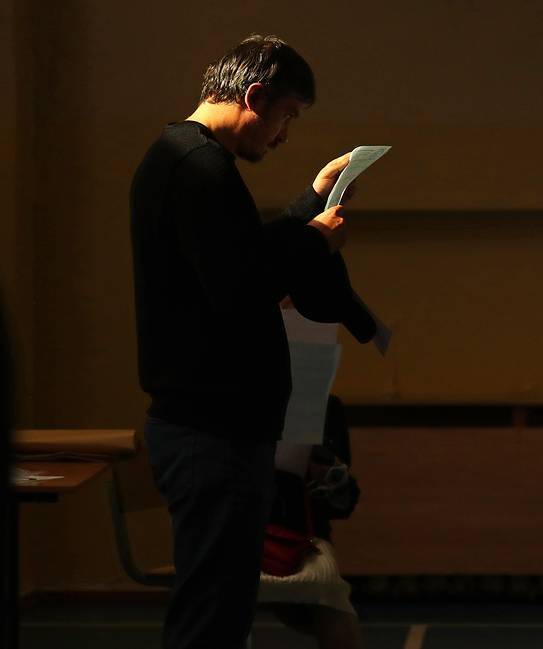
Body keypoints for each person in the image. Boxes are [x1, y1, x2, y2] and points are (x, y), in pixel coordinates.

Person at [129, 35, 376, 649]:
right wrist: (316, 242)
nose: (284, 135)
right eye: (286, 116)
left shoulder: (186, 160)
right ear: (255, 97)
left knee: (218, 613)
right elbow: (243, 289)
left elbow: (239, 258)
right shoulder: (200, 168)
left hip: (212, 431)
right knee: (212, 621)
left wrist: (310, 203)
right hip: (213, 435)